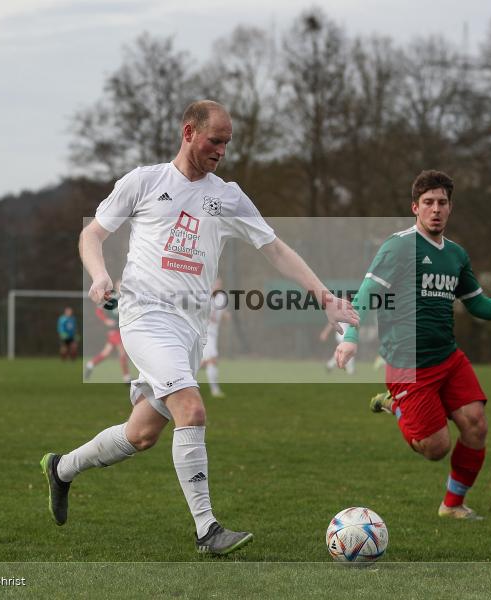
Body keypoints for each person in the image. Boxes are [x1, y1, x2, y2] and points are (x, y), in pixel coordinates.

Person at [40, 99, 358, 555]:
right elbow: (92, 234)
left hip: (190, 328)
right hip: (145, 317)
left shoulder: (228, 196)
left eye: (227, 143)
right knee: (192, 410)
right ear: (189, 132)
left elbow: (276, 249)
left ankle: (62, 468)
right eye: (215, 140)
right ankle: (207, 530)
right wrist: (100, 275)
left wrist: (324, 296)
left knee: (142, 434)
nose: (221, 150)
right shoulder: (145, 182)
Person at [334, 170, 491, 520]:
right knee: (436, 448)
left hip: (448, 357)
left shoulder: (456, 255)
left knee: (476, 425)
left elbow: (476, 303)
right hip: (409, 365)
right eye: (428, 202)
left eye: (442, 203)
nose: (435, 209)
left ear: (450, 208)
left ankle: (453, 505)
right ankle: (394, 404)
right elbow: (366, 295)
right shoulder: (399, 246)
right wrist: (351, 338)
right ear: (415, 207)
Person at [84, 281, 131, 383]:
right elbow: (99, 310)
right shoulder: (111, 297)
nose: (122, 287)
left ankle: (90, 364)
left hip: (120, 329)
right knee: (122, 352)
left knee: (106, 353)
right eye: (120, 285)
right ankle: (126, 378)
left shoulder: (126, 299)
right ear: (117, 286)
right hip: (114, 330)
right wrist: (105, 320)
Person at [200, 278, 229, 398]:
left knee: (202, 362)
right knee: (212, 359)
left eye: (219, 283)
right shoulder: (204, 296)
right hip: (204, 333)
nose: (217, 285)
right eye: (215, 283)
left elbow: (222, 313)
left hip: (213, 333)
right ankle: (215, 390)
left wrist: (226, 316)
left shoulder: (222, 297)